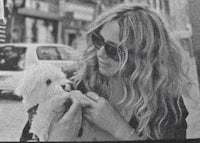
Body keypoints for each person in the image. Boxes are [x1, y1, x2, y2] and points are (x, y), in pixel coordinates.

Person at [20, 3, 190, 141]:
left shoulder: (167, 106)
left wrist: (118, 128)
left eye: (113, 49)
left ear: (143, 57)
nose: (100, 52)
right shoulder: (74, 84)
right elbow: (29, 134)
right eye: (98, 40)